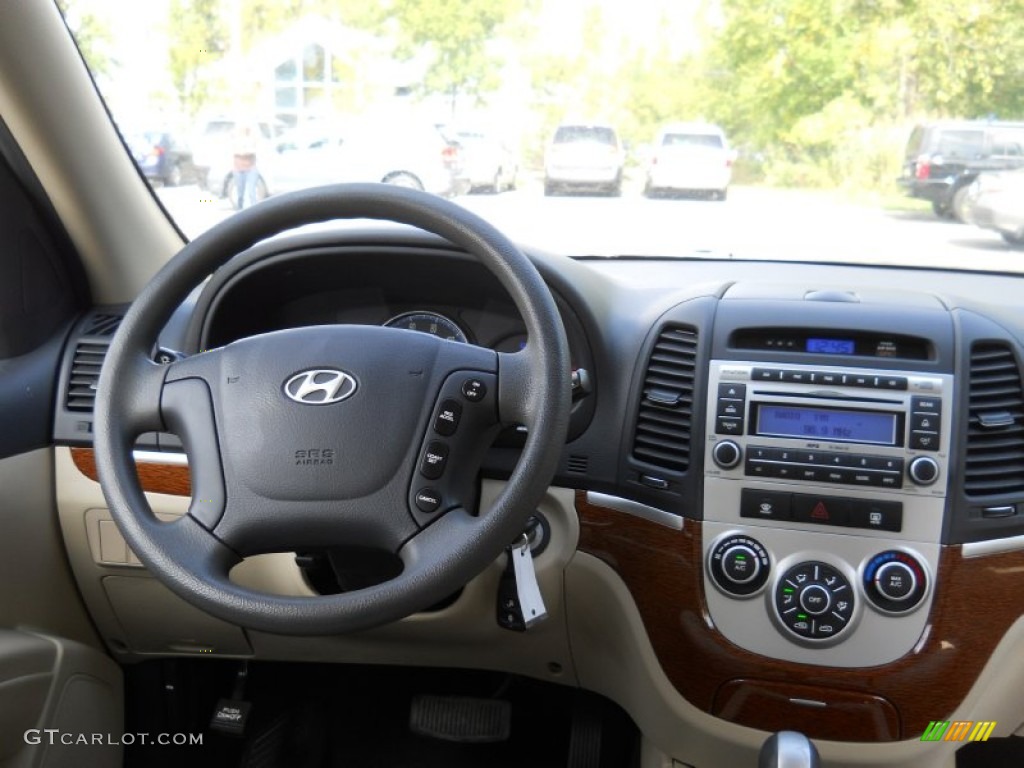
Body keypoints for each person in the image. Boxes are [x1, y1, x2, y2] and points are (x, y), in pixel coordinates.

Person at [232, 122, 259, 209]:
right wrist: (245, 151)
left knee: (252, 193)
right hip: (238, 169)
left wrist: (244, 151)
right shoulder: (235, 138)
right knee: (240, 194)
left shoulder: (252, 138)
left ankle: (256, 214)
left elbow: (253, 150)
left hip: (251, 168)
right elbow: (236, 151)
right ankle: (239, 213)